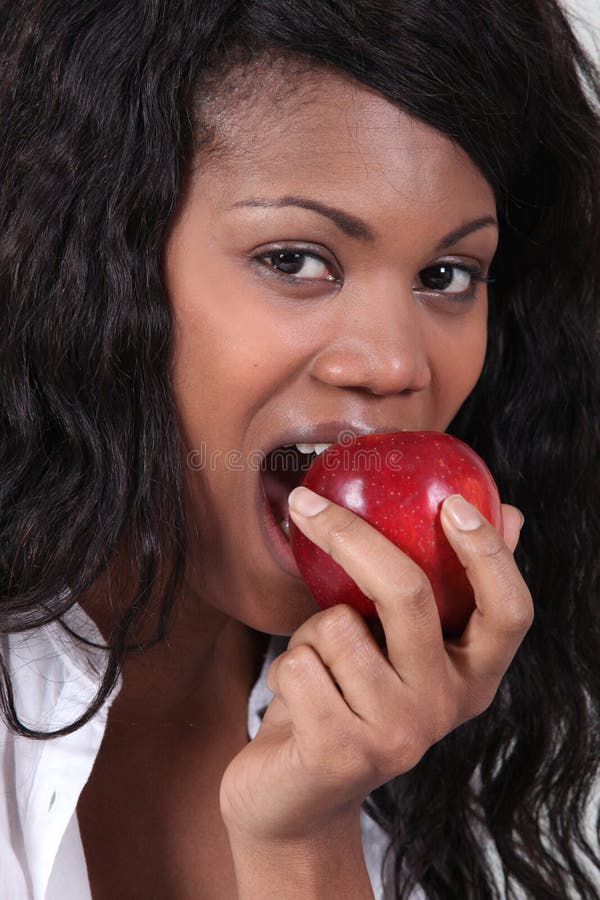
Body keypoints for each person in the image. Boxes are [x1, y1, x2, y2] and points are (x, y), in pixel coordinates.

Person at [1, 1, 599, 897]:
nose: (398, 365)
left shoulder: (487, 732)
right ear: (88, 274)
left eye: (447, 276)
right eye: (294, 259)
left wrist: (305, 835)